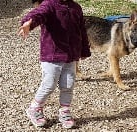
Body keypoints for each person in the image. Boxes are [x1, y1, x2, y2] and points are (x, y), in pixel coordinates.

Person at [18, 0, 91, 129]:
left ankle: (65, 111)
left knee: (68, 84)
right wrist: (29, 22)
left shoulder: (76, 8)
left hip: (71, 56)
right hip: (52, 55)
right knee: (49, 84)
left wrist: (84, 50)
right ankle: (34, 108)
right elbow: (38, 14)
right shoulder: (49, 4)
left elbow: (82, 30)